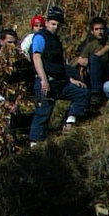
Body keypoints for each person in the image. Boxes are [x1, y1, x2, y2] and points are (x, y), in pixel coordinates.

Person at [28, 8, 70, 143]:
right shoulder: (40, 37)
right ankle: (35, 143)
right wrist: (43, 79)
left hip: (59, 81)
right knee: (42, 112)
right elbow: (36, 57)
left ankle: (70, 121)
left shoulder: (56, 40)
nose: (55, 27)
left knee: (81, 93)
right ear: (46, 23)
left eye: (58, 25)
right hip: (45, 81)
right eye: (53, 24)